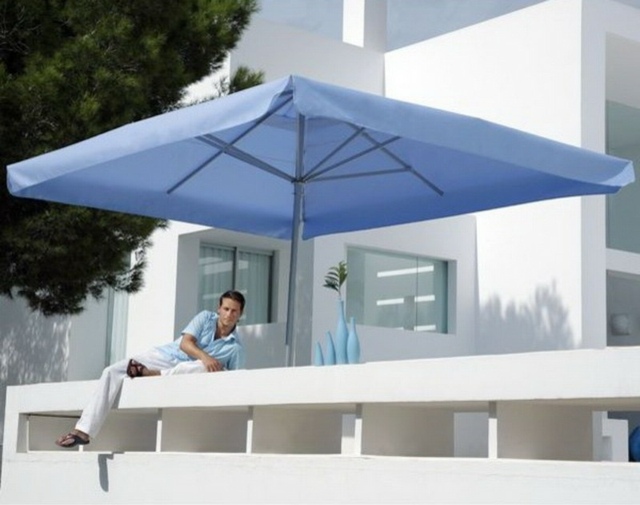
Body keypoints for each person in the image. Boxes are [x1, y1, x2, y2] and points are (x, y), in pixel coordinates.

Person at [55, 289, 246, 448]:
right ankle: (83, 431)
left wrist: (212, 366)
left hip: (186, 370)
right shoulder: (205, 318)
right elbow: (185, 344)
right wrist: (207, 357)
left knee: (204, 368)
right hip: (165, 357)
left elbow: (234, 378)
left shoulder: (234, 348)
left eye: (234, 311)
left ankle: (150, 374)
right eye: (226, 309)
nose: (229, 314)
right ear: (219, 308)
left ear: (240, 314)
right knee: (111, 371)